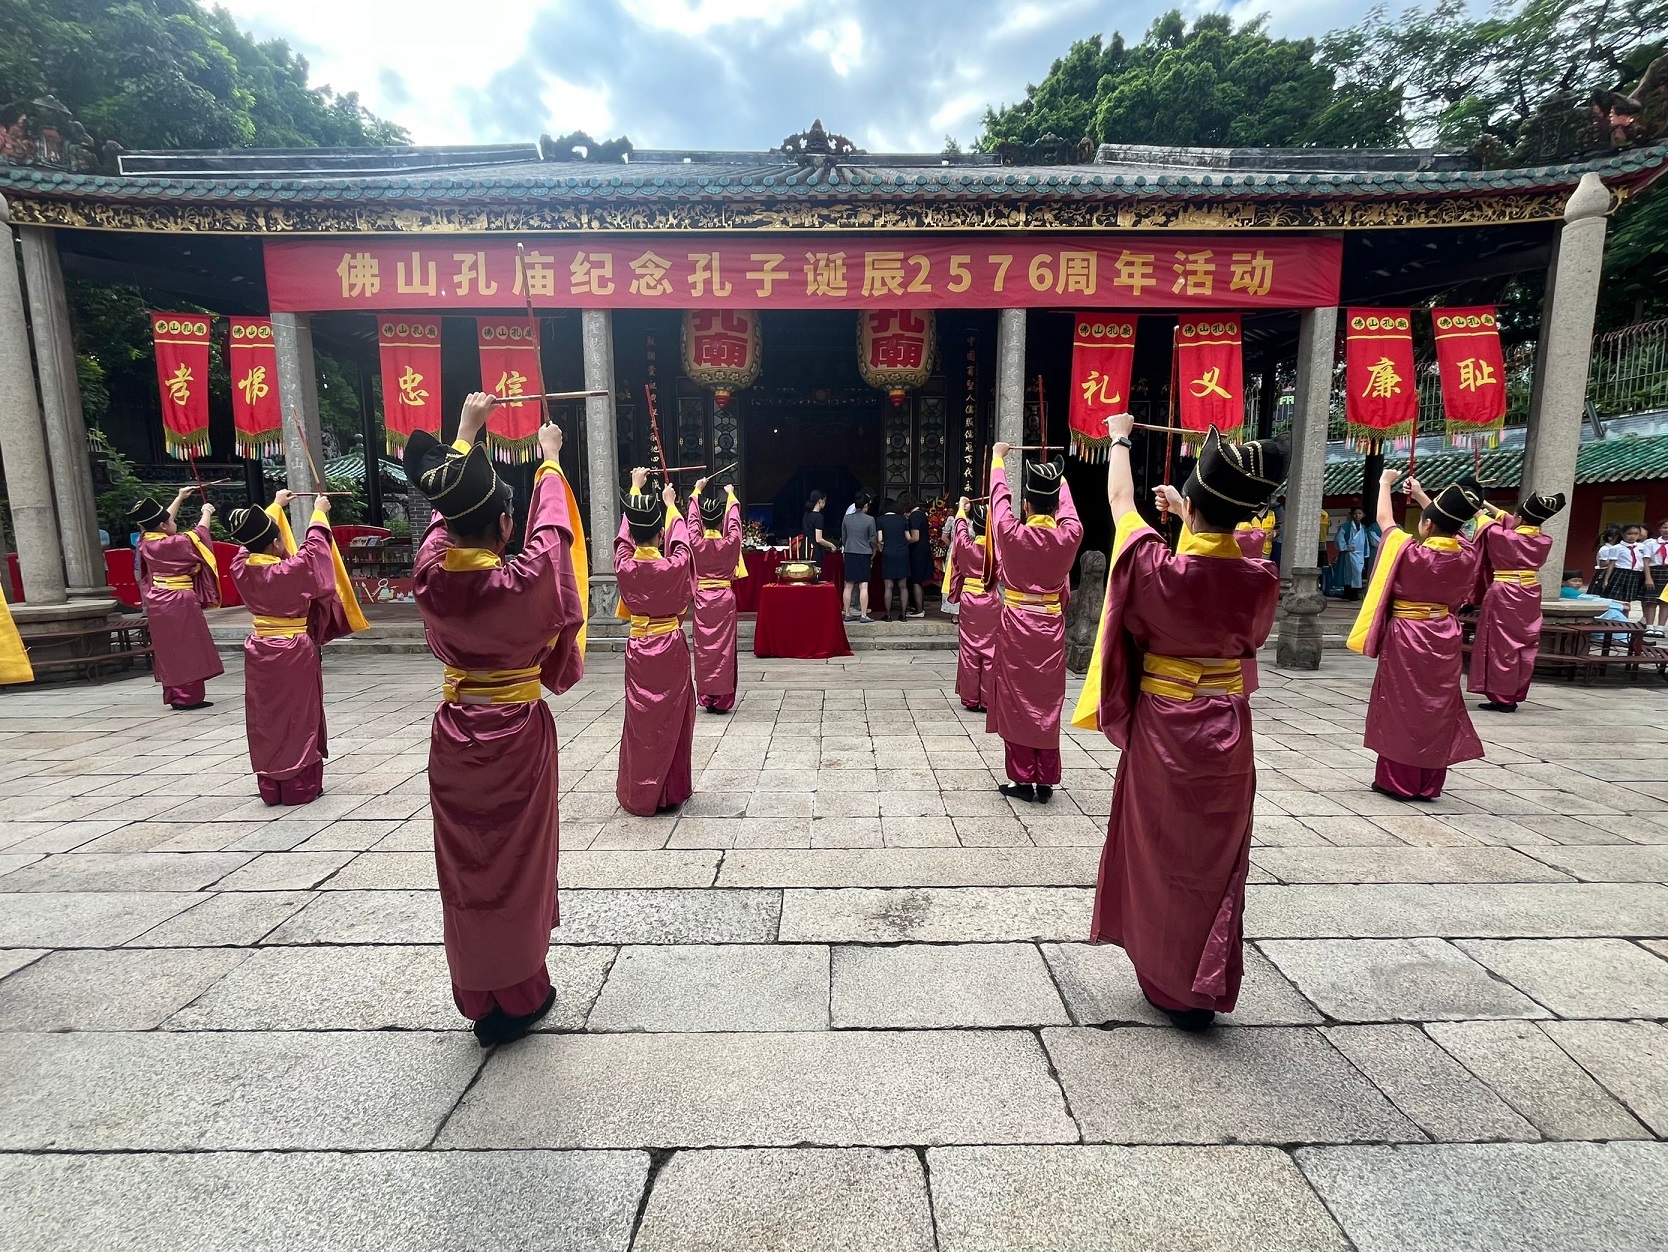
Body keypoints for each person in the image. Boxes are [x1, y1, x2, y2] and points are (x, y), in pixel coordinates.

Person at [1075, 418, 1286, 1032]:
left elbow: (1120, 503)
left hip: (1167, 725)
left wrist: (1118, 437)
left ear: (1188, 508)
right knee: (1215, 858)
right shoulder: (1260, 577)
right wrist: (1189, 512)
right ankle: (1206, 976)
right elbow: (1227, 556)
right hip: (1229, 728)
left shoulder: (1156, 567)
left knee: (1160, 850)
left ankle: (1167, 980)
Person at [407, 392, 586, 1047]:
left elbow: (447, 513)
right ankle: (520, 991)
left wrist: (464, 434)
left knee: (465, 866)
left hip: (454, 736)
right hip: (515, 734)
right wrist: (548, 462)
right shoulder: (521, 584)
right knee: (519, 863)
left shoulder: (429, 576)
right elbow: (553, 539)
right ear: (503, 527)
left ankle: (478, 989)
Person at [1348, 469, 1485, 801]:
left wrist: (1384, 483)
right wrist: (1426, 497)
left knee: (1402, 705)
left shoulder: (1410, 552)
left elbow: (1384, 519)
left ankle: (1398, 780)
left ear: (1427, 525)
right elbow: (1460, 530)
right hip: (1446, 634)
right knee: (1437, 706)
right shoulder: (1468, 554)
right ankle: (1428, 782)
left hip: (1408, 635)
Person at [226, 490, 360, 805]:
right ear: (275, 544)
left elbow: (251, 544)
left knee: (266, 717)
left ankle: (272, 787)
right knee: (299, 715)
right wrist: (319, 513)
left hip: (259, 648)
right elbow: (315, 552)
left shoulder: (240, 567)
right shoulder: (289, 570)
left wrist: (275, 505)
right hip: (292, 649)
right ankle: (300, 786)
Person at [986, 444, 1082, 803]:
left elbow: (998, 500)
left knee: (1017, 700)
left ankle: (1023, 777)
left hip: (1016, 625)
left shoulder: (1011, 533)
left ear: (1025, 505)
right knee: (1046, 700)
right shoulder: (1069, 534)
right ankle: (1046, 778)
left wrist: (998, 459)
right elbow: (1069, 511)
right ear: (1056, 505)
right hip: (1051, 626)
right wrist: (1062, 480)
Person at [616, 469, 695, 816]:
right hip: (670, 644)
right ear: (660, 534)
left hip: (638, 646)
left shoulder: (623, 565)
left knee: (641, 717)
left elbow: (622, 539)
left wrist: (635, 488)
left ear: (633, 535)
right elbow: (683, 545)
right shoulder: (673, 566)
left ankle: (641, 789)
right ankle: (670, 789)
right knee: (676, 715)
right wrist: (672, 507)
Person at [1468, 492, 1566, 713]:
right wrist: (1485, 504)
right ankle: (1512, 692)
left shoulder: (1507, 537)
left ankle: (1502, 696)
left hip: (1505, 593)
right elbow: (1506, 520)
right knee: (1524, 643)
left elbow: (1486, 524)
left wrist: (1475, 507)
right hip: (1530, 592)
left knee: (1502, 644)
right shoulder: (1544, 539)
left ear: (1520, 519)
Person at [132, 488, 223, 710]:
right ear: (163, 526)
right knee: (186, 647)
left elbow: (165, 520)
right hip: (178, 600)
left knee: (169, 649)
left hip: (158, 600)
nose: (174, 522)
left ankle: (175, 693)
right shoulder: (173, 543)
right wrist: (207, 511)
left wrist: (180, 497)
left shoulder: (145, 541)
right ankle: (187, 696)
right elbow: (199, 533)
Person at [689, 475, 744, 715]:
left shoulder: (695, 541)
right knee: (724, 648)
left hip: (702, 598)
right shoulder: (731, 542)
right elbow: (735, 524)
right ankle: (722, 697)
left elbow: (690, 522)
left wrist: (695, 493)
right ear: (720, 521)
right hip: (724, 597)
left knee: (704, 648)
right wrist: (731, 496)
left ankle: (706, 695)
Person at [946, 497, 997, 713]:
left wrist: (960, 510)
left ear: (974, 526)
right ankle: (987, 698)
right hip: (992, 600)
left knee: (969, 650)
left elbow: (959, 531)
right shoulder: (997, 551)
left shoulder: (966, 544)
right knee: (991, 649)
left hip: (969, 599)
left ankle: (970, 697)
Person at [840, 493, 876, 623]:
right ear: (866, 505)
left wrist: (847, 546)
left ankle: (847, 612)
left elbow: (843, 538)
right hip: (864, 553)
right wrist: (873, 550)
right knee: (863, 585)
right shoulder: (870, 519)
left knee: (848, 585)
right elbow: (873, 539)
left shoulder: (847, 519)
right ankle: (863, 614)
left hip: (850, 552)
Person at [877, 497, 910, 622]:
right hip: (902, 552)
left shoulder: (880, 520)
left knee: (888, 586)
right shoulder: (902, 519)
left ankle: (888, 614)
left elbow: (880, 539)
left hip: (888, 552)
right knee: (903, 586)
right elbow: (908, 536)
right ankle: (904, 614)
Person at [904, 493, 931, 618]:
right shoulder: (921, 514)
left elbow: (915, 537)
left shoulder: (915, 516)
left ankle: (919, 610)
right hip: (923, 549)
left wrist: (902, 542)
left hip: (917, 550)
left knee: (916, 580)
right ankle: (918, 607)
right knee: (917, 580)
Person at [1335, 507, 1367, 600]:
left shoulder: (1363, 527)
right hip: (1349, 552)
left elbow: (1365, 541)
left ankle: (1355, 593)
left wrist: (1365, 552)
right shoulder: (1346, 526)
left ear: (1363, 515)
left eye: (1360, 513)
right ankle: (1349, 594)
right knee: (1349, 574)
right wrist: (1345, 547)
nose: (1357, 515)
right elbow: (1339, 537)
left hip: (1359, 553)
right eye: (1355, 514)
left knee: (1357, 573)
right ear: (1351, 515)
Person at [1646, 519, 1668, 636]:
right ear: (1659, 529)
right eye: (1664, 527)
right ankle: (1649, 626)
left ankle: (1660, 628)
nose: (1666, 530)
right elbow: (1646, 561)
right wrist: (1648, 577)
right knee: (1651, 601)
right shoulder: (1651, 544)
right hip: (1655, 571)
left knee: (1665, 601)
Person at [1593, 524, 1628, 597]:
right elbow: (1602, 563)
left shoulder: (1615, 548)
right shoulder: (1605, 549)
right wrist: (1615, 562)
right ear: (1610, 538)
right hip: (1603, 572)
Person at [801, 490, 836, 563]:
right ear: (820, 500)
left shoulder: (806, 514)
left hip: (804, 548)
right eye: (825, 500)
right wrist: (831, 545)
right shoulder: (819, 517)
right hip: (814, 551)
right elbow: (819, 539)